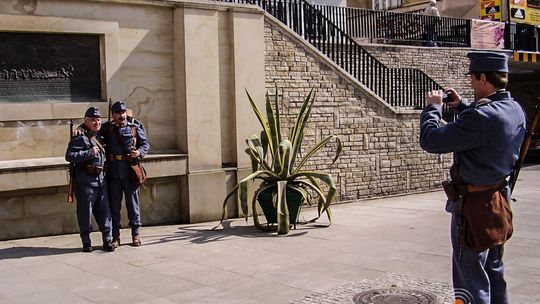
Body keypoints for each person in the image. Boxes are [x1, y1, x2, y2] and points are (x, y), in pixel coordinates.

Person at [419, 51, 526, 304]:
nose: (471, 83)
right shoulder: (514, 109)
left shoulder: (480, 117)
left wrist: (432, 109)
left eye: (472, 78)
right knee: (494, 270)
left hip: (474, 209)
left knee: (470, 278)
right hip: (499, 202)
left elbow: (431, 140)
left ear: (482, 78)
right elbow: (487, 119)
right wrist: (461, 104)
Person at [65, 107, 115, 252]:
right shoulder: (80, 137)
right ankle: (86, 242)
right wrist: (89, 152)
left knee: (105, 212)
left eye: (98, 119)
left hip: (101, 181)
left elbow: (122, 122)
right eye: (93, 120)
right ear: (86, 122)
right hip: (85, 182)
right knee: (85, 213)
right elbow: (69, 156)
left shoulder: (101, 136)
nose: (96, 122)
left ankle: (107, 240)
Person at [102, 101, 150, 247]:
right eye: (118, 113)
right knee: (114, 206)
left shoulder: (135, 126)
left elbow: (145, 144)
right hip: (113, 173)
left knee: (133, 205)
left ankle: (135, 234)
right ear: (113, 114)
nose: (121, 115)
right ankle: (116, 236)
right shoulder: (107, 128)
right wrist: (80, 127)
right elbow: (92, 129)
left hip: (130, 171)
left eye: (123, 112)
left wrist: (139, 152)